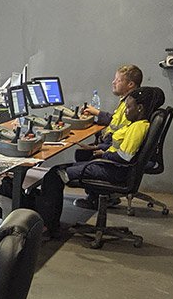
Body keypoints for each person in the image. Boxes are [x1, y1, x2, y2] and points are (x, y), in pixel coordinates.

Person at [36, 87, 156, 229]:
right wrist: (96, 149)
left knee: (55, 175)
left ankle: (50, 226)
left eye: (129, 107)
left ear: (140, 108)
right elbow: (118, 147)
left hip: (113, 170)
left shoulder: (137, 128)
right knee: (68, 163)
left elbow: (124, 157)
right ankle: (51, 218)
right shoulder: (137, 124)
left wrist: (102, 154)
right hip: (114, 167)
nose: (125, 111)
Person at [79, 64, 143, 143]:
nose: (113, 82)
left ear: (130, 84)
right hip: (110, 144)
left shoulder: (131, 106)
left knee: (81, 153)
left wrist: (100, 147)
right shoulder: (126, 101)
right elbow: (114, 121)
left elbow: (120, 133)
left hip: (112, 147)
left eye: (118, 80)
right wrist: (96, 113)